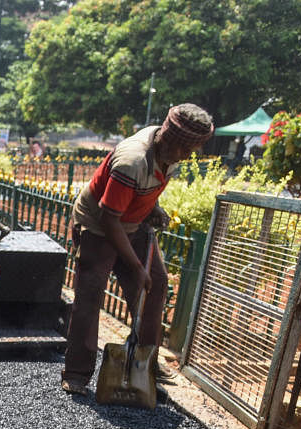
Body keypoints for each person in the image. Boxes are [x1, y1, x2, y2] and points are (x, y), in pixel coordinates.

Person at [61, 103, 213, 397]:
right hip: (98, 226)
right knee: (90, 294)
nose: (188, 156)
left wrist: (153, 207)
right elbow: (109, 218)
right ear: (168, 140)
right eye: (186, 149)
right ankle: (78, 372)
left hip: (133, 222)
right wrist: (135, 265)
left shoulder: (171, 154)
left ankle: (145, 363)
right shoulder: (132, 161)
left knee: (155, 286)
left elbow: (146, 187)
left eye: (193, 150)